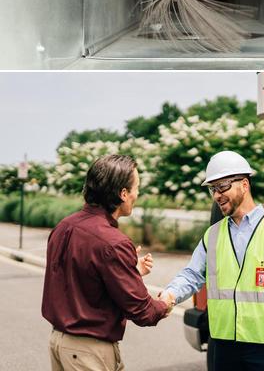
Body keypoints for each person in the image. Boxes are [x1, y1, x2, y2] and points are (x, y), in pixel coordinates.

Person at [161, 151, 264, 371]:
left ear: (244, 184)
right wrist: (170, 294)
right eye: (213, 189)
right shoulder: (213, 234)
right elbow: (192, 274)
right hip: (224, 346)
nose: (217, 195)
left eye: (222, 186)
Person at [41, 154, 173, 371]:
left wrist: (131, 272)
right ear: (123, 194)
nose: (137, 194)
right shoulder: (113, 242)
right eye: (136, 188)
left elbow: (82, 281)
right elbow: (141, 311)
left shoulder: (63, 227)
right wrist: (165, 304)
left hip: (59, 344)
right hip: (88, 352)